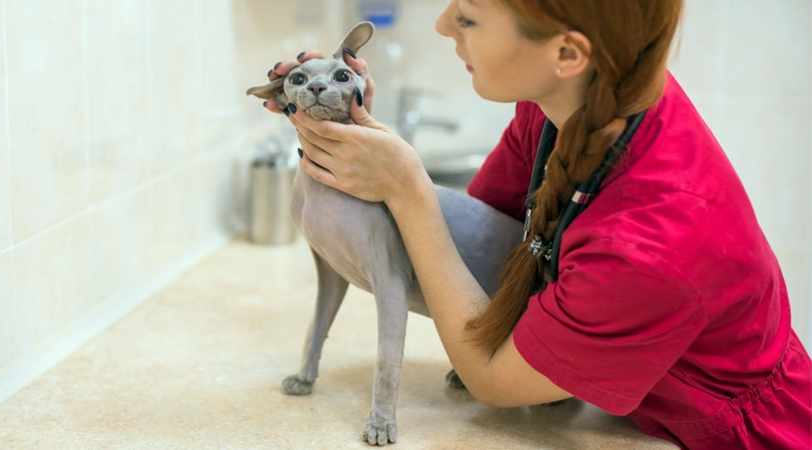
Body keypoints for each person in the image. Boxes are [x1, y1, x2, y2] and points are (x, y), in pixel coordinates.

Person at [262, 0, 812, 448]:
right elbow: (483, 253)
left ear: (568, 52)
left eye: (470, 17)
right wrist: (351, 114)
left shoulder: (654, 243)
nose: (442, 23)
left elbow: (494, 378)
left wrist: (408, 188)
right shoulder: (574, 97)